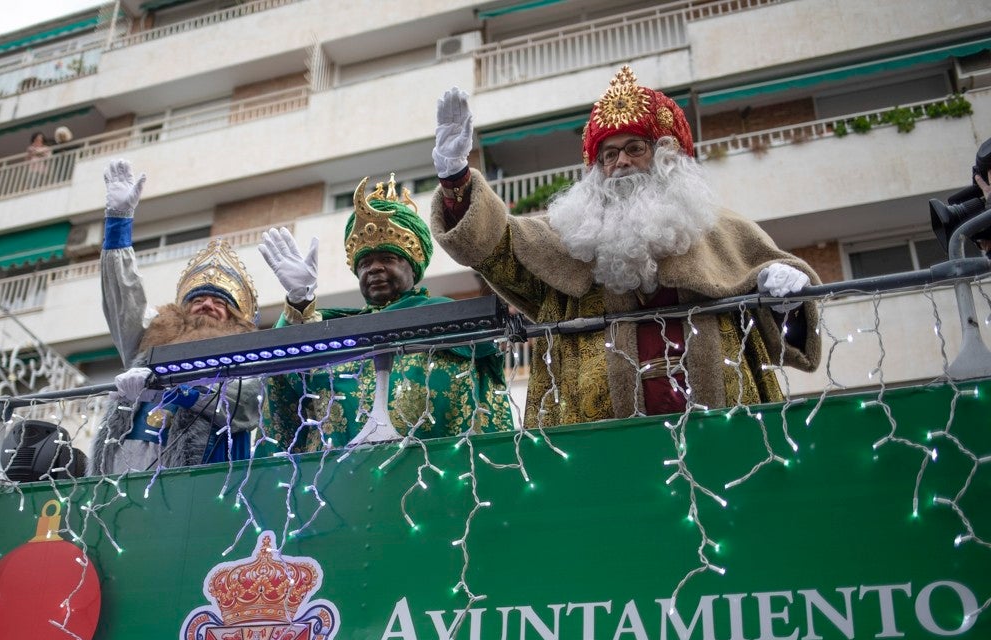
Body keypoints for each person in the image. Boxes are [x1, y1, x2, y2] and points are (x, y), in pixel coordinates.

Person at [428, 66, 822, 427]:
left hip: (725, 432)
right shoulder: (570, 239)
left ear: (666, 158)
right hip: (601, 449)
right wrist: (455, 178)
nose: (620, 163)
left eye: (635, 148)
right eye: (609, 154)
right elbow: (500, 245)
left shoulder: (724, 231)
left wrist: (783, 300)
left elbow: (789, 336)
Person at [259, 175, 513, 453]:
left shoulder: (448, 319)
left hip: (433, 473)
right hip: (339, 480)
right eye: (365, 263)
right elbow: (290, 376)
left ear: (412, 267)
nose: (374, 268)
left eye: (388, 259)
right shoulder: (336, 332)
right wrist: (300, 301)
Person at [91, 159, 261, 474]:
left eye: (219, 302)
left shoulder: (245, 359)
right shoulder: (153, 339)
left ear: (235, 318)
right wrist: (118, 223)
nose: (208, 304)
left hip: (194, 483)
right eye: (199, 299)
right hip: (121, 470)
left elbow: (244, 405)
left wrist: (177, 392)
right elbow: (122, 298)